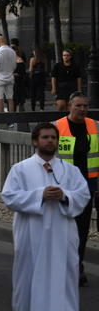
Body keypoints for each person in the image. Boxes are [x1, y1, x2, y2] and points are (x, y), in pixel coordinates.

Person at [1, 122, 90, 311]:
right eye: (45, 137)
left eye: (53, 137)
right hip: (32, 237)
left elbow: (82, 195)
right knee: (27, 284)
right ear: (35, 141)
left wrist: (65, 196)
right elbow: (9, 197)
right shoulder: (21, 169)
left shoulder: (70, 171)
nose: (49, 141)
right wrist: (39, 195)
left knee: (66, 287)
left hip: (63, 238)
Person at [54, 92, 98, 286]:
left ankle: (77, 267)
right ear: (69, 106)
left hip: (87, 187)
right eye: (78, 106)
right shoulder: (57, 127)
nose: (82, 109)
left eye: (85, 106)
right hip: (63, 188)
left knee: (81, 230)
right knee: (63, 230)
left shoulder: (95, 126)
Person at [0, 36, 16, 113]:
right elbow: (14, 66)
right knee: (10, 99)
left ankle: (1, 119)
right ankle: (12, 119)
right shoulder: (12, 51)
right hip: (10, 78)